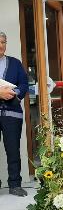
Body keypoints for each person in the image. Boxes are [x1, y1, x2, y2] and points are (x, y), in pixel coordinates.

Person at [0, 32, 29, 197]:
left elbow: (24, 83)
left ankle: (15, 185)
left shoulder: (15, 63)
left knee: (13, 149)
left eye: (3, 42)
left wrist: (14, 93)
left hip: (12, 114)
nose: (1, 45)